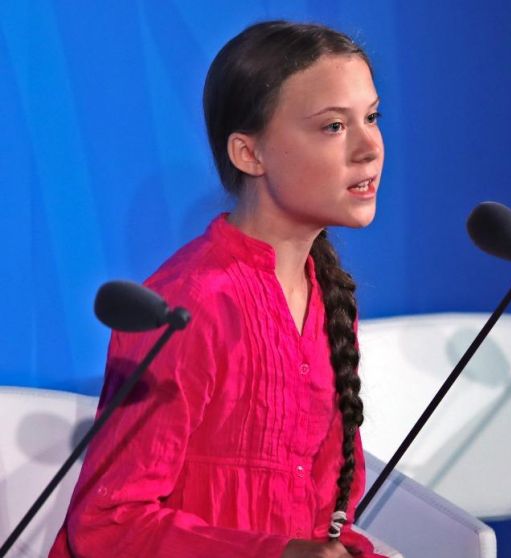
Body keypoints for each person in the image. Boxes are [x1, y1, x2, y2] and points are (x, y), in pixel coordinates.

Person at [49, 20, 386, 558]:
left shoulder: (327, 298)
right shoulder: (193, 302)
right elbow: (107, 526)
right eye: (333, 126)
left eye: (371, 118)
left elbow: (326, 518)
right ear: (249, 154)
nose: (369, 148)